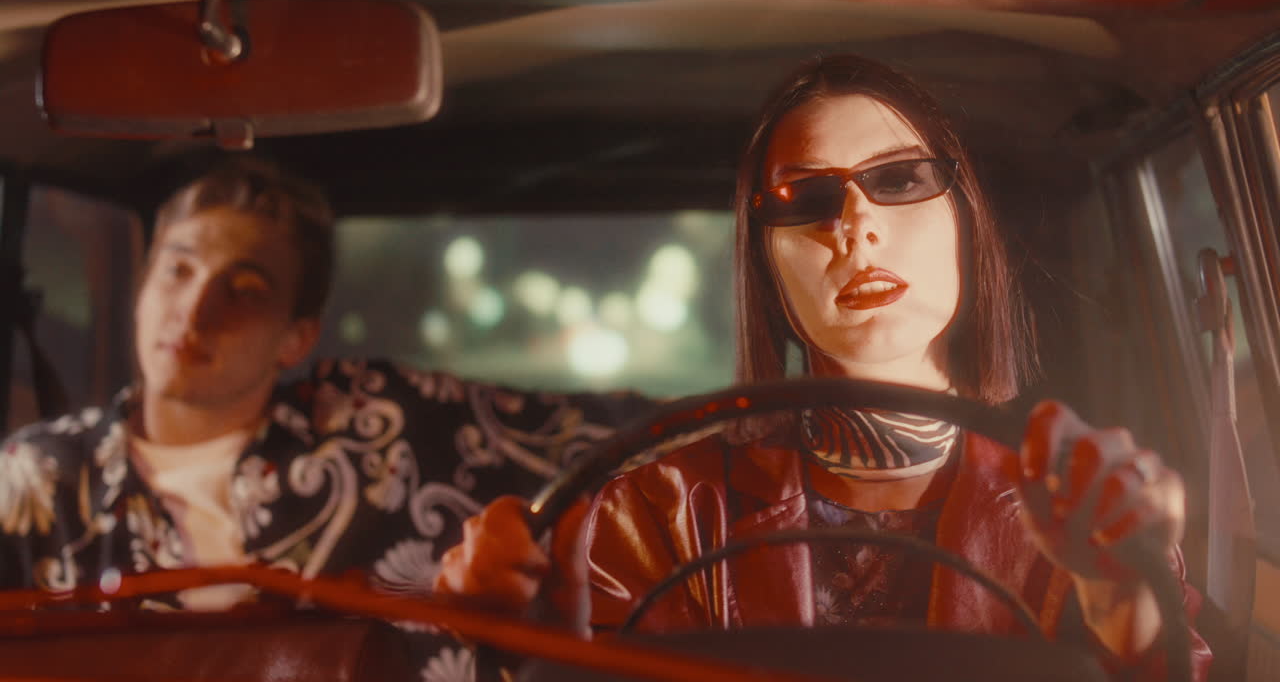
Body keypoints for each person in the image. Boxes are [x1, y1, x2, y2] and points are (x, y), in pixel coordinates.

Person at [435, 54, 1212, 679]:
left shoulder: (1084, 505)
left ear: (966, 218)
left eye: (899, 179)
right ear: (764, 266)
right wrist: (531, 661)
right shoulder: (658, 510)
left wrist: (1123, 597)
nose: (856, 224)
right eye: (805, 196)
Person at [0, 153, 649, 679]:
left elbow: (614, 439)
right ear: (142, 290)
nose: (194, 310)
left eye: (244, 289)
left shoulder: (384, 420)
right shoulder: (36, 479)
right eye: (177, 270)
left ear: (296, 338)